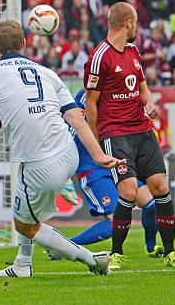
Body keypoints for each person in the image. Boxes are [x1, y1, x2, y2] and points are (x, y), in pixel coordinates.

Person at [0, 19, 124, 278]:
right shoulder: (47, 72)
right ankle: (22, 264)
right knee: (29, 209)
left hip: (39, 161)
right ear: (23, 43)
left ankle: (92, 260)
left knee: (26, 225)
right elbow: (76, 117)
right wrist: (98, 155)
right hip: (68, 151)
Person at [84, 2, 175, 269]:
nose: (137, 26)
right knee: (129, 191)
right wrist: (98, 144)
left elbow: (143, 88)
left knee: (160, 188)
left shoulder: (133, 52)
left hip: (142, 130)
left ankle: (170, 252)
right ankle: (116, 253)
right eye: (136, 21)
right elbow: (90, 104)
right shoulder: (99, 57)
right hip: (115, 133)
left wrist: (149, 103)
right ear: (128, 23)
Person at [47, 89, 164, 259]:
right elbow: (71, 129)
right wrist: (64, 168)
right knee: (115, 222)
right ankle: (62, 247)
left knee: (151, 205)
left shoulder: (120, 92)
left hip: (117, 163)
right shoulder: (86, 95)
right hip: (93, 169)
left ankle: (151, 247)